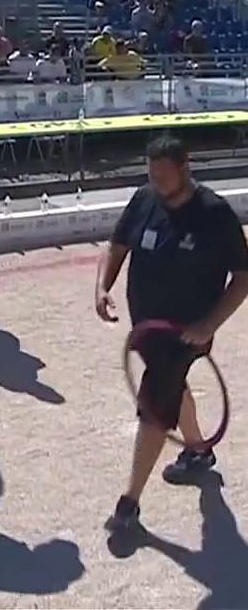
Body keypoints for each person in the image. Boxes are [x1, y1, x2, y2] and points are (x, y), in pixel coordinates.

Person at [96, 137, 248, 533]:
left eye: (164, 176)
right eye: (152, 175)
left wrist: (209, 325)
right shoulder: (144, 199)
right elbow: (117, 244)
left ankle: (129, 503)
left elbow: (243, 277)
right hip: (146, 328)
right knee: (171, 387)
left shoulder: (214, 214)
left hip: (185, 335)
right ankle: (198, 452)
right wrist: (103, 287)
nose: (157, 183)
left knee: (154, 406)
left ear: (185, 167)